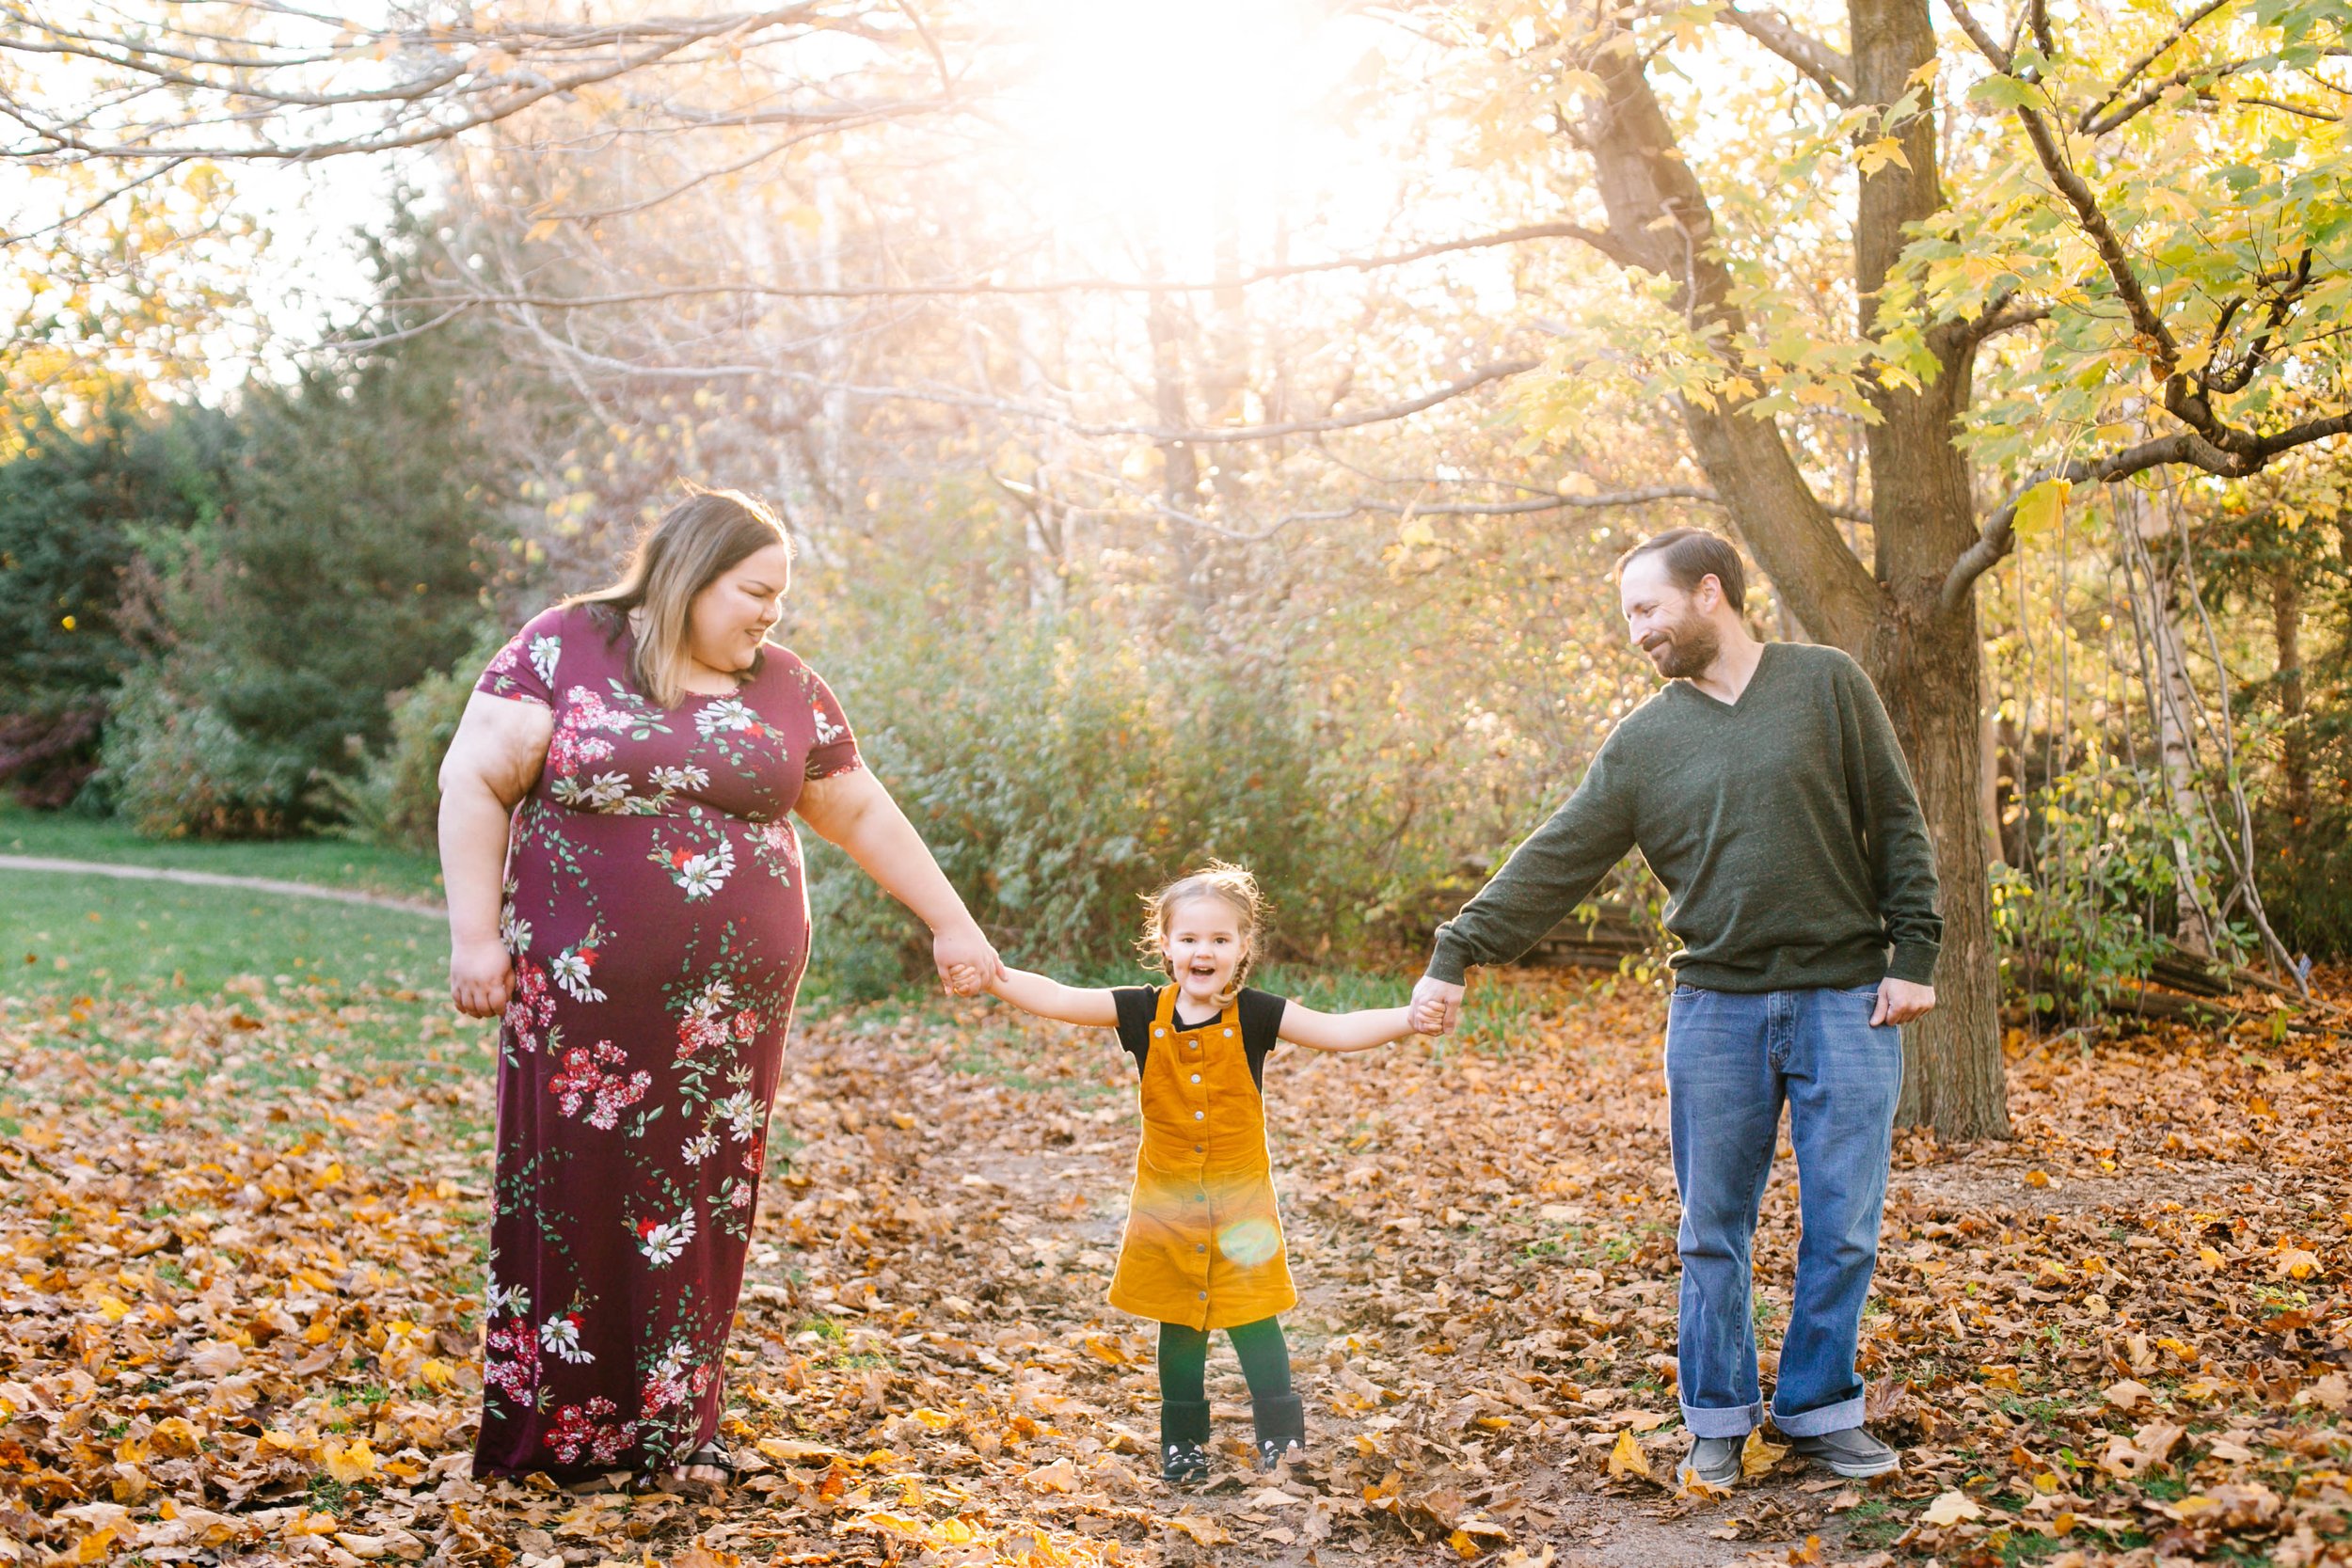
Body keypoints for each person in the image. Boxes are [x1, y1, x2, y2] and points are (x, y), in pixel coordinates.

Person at [439, 487, 1001, 1488]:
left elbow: (859, 809)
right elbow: (475, 781)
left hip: (727, 1021)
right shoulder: (566, 646)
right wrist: (474, 935)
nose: (770, 615)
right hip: (580, 1001)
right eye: (755, 591)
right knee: (573, 1188)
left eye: (780, 600)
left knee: (698, 1200)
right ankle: (560, 1435)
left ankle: (672, 1429)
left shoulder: (786, 684)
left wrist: (949, 918)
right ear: (690, 572)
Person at [1408, 527, 1941, 1488]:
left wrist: (1914, 950)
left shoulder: (1825, 684)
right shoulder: (1646, 740)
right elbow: (1556, 856)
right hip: (1716, 1008)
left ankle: (1819, 1408)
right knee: (1710, 1226)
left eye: (1646, 609)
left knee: (1844, 1222)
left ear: (1709, 592)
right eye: (1627, 617)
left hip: (1845, 996)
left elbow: (1897, 817)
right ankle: (1718, 1415)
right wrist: (1459, 947)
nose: (1636, 632)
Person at [954, 863, 1431, 1482]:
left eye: (1220, 939)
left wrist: (1410, 1015)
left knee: (1254, 1315)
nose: (1203, 950)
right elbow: (1060, 997)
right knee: (1180, 1323)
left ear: (1242, 948)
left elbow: (1337, 1031)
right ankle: (1182, 1443)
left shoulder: (1258, 1015)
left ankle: (1281, 1438)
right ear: (1165, 945)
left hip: (1242, 1205)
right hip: (1166, 1205)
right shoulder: (1140, 1012)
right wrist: (994, 975)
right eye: (1189, 939)